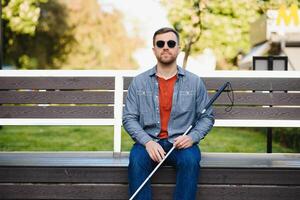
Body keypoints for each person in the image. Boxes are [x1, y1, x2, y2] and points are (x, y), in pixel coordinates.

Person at [122, 27, 215, 200]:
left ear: (178, 48)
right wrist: (147, 142)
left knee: (190, 161)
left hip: (181, 143)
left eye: (171, 43)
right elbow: (129, 118)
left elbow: (207, 117)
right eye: (160, 43)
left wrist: (192, 137)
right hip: (149, 142)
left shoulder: (194, 82)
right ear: (154, 49)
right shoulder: (139, 82)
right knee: (136, 161)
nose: (166, 47)